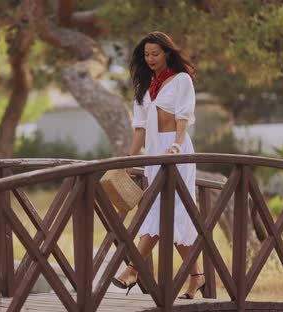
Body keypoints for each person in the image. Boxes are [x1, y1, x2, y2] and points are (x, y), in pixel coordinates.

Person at [111, 31, 204, 300]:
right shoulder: (144, 87)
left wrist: (176, 145)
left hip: (176, 152)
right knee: (168, 214)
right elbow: (139, 129)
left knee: (163, 211)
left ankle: (132, 269)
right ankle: (197, 276)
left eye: (155, 53)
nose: (150, 58)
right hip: (154, 155)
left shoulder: (181, 80)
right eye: (146, 55)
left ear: (167, 53)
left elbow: (183, 118)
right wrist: (128, 160)